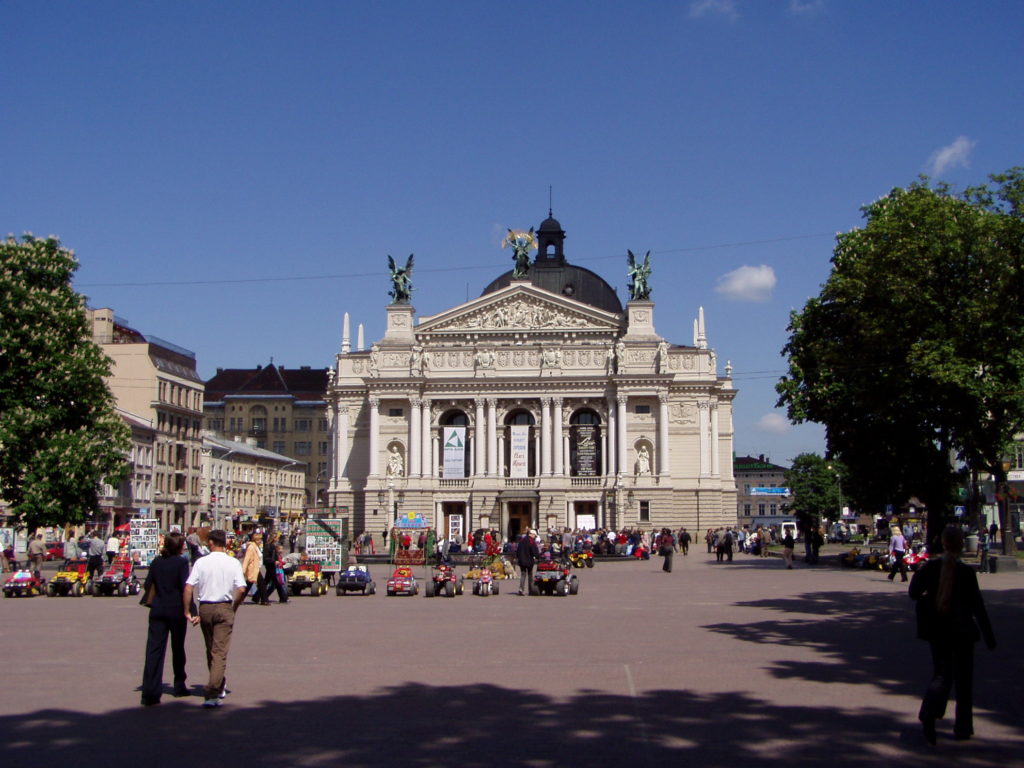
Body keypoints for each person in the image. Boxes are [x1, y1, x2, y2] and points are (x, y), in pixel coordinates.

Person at [910, 525, 996, 744]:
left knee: (941, 674)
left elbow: (913, 594)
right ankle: (963, 727)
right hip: (963, 631)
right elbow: (978, 606)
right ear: (960, 545)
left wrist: (929, 598)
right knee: (964, 680)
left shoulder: (929, 567)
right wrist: (989, 637)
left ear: (943, 543)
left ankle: (929, 713)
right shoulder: (966, 572)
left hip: (938, 630)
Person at [183, 529, 247, 708]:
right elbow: (241, 589)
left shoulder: (201, 562)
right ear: (225, 543)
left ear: (211, 543)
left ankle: (218, 682)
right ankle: (213, 691)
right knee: (219, 652)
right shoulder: (233, 562)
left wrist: (187, 611)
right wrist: (234, 606)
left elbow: (188, 587)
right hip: (224, 606)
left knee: (210, 648)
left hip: (205, 607)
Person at [140, 532, 191, 706]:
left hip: (157, 609)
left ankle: (149, 692)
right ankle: (179, 685)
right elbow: (185, 586)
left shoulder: (156, 561)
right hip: (176, 610)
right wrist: (190, 609)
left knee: (154, 650)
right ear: (178, 546)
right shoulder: (181, 562)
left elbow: (148, 584)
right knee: (177, 648)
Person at [260, 532, 289, 605]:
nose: (277, 539)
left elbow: (275, 557)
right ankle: (283, 598)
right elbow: (266, 558)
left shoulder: (272, 546)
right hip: (270, 566)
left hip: (273, 566)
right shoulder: (268, 546)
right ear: (273, 538)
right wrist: (274, 561)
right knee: (277, 583)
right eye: (276, 538)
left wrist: (279, 561)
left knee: (265, 582)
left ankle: (257, 597)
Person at [241, 532, 265, 605]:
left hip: (256, 568)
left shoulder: (257, 547)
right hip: (253, 569)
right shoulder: (251, 547)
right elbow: (246, 559)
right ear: (254, 540)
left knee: (251, 584)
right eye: (258, 540)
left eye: (260, 539)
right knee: (261, 584)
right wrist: (243, 570)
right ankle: (264, 600)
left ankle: (241, 598)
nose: (260, 541)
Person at [516, 530, 540, 595]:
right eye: (535, 536)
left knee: (523, 575)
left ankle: (521, 589)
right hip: (529, 561)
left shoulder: (521, 541)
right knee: (530, 575)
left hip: (522, 561)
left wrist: (519, 558)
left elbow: (517, 551)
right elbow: (535, 551)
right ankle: (531, 590)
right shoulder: (531, 541)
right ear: (531, 534)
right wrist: (538, 557)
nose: (535, 537)